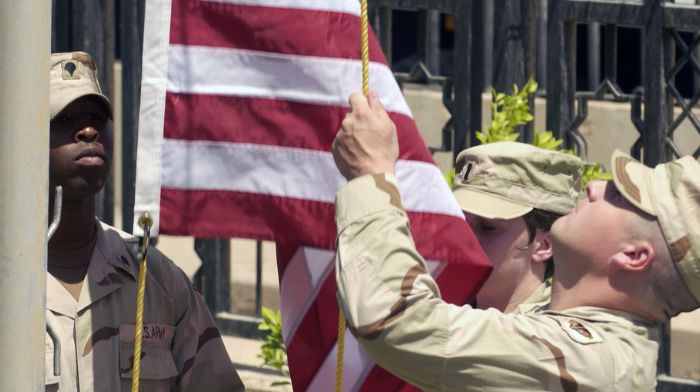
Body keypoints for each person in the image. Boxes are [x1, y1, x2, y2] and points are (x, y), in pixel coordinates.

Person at [331, 91, 700, 390]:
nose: (595, 185)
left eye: (619, 196)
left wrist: (372, 174)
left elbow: (398, 322)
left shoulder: (591, 363)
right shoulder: (555, 325)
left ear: (634, 255)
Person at [46, 51, 244, 391]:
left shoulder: (156, 281)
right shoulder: (12, 282)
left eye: (96, 117)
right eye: (64, 120)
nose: (89, 130)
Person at [452, 142, 581, 312]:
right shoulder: (441, 310)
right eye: (459, 222)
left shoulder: (551, 332)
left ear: (546, 244)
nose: (465, 238)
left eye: (487, 227)